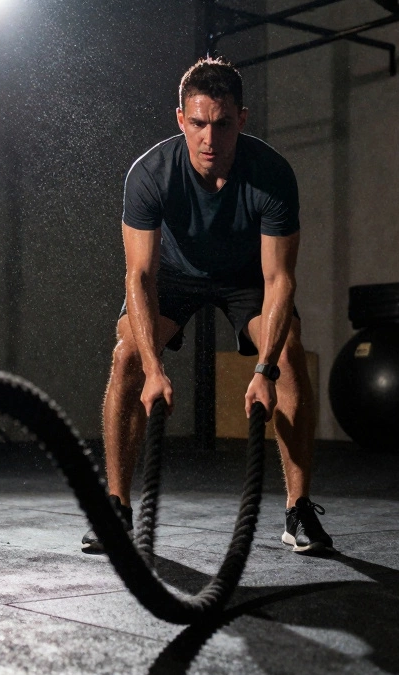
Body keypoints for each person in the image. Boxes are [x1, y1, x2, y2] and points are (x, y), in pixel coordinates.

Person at [82, 57, 333, 555]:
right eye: (197, 123)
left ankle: (298, 510)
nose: (209, 139)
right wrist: (155, 369)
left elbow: (280, 278)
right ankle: (117, 507)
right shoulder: (150, 174)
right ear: (180, 119)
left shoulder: (272, 175)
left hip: (247, 279)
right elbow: (140, 275)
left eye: (221, 124)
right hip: (174, 276)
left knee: (288, 358)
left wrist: (262, 369)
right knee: (128, 354)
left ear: (242, 118)